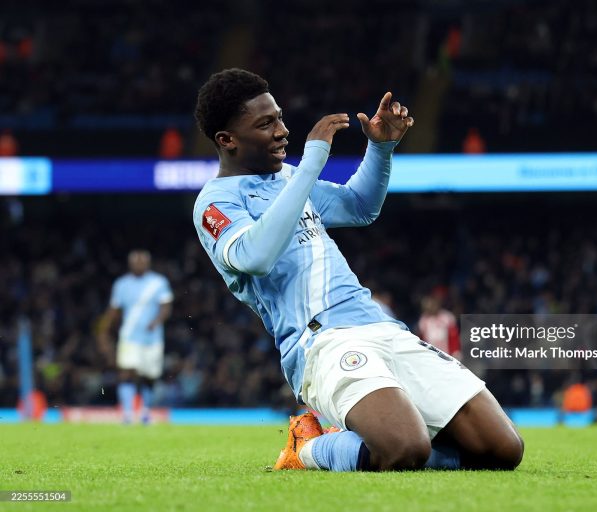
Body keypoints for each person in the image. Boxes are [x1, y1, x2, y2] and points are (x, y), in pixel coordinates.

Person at [192, 68, 523, 472]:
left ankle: (385, 435)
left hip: (382, 327)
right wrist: (313, 160)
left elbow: (360, 206)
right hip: (320, 343)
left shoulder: (289, 179)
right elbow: (255, 256)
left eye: (279, 117)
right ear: (227, 140)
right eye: (265, 124)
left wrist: (381, 150)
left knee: (502, 450)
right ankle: (309, 449)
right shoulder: (216, 202)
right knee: (403, 450)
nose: (282, 131)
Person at [99, 250, 173, 424]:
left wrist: (156, 321)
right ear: (130, 264)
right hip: (129, 336)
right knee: (126, 372)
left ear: (148, 263)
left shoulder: (158, 283)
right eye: (136, 262)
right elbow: (114, 311)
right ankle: (127, 413)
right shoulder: (121, 284)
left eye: (142, 262)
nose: (139, 265)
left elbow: (166, 306)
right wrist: (104, 329)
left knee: (149, 376)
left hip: (152, 338)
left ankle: (146, 411)